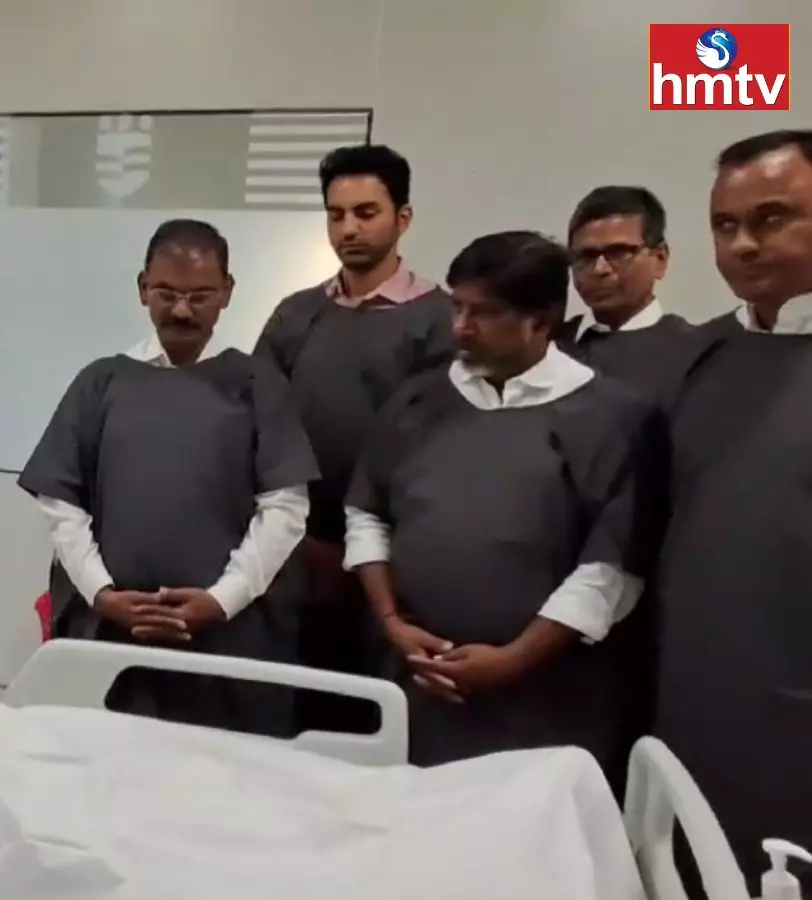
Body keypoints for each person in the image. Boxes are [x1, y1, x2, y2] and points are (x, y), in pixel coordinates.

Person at [342, 231, 661, 789]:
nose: (461, 328)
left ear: (542, 321)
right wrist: (393, 623)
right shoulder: (418, 401)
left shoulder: (613, 418)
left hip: (545, 697)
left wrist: (514, 659)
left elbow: (611, 568)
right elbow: (366, 512)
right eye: (457, 308)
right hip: (417, 681)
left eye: (483, 313)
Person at [20, 218, 318, 738]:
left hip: (228, 640)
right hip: (112, 634)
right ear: (142, 289)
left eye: (199, 296)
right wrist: (101, 594)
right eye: (166, 293)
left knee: (219, 768)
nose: (181, 310)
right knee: (105, 760)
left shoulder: (256, 384)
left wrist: (222, 599)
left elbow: (286, 507)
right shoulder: (102, 382)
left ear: (227, 292)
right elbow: (61, 501)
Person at [653, 129, 812, 886]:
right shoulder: (698, 358)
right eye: (724, 225)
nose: (743, 244)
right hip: (696, 694)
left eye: (771, 218)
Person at [252, 144, 453, 732]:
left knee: (374, 717)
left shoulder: (440, 319)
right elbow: (261, 421)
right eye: (336, 215)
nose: (349, 229)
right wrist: (302, 533)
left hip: (395, 559)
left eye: (366, 213)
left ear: (403, 218)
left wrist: (366, 545)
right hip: (298, 549)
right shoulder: (296, 315)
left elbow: (438, 446)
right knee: (294, 712)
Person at [556, 186, 695, 396]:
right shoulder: (548, 347)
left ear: (660, 258)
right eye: (586, 256)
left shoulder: (694, 352)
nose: (600, 269)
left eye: (618, 252)